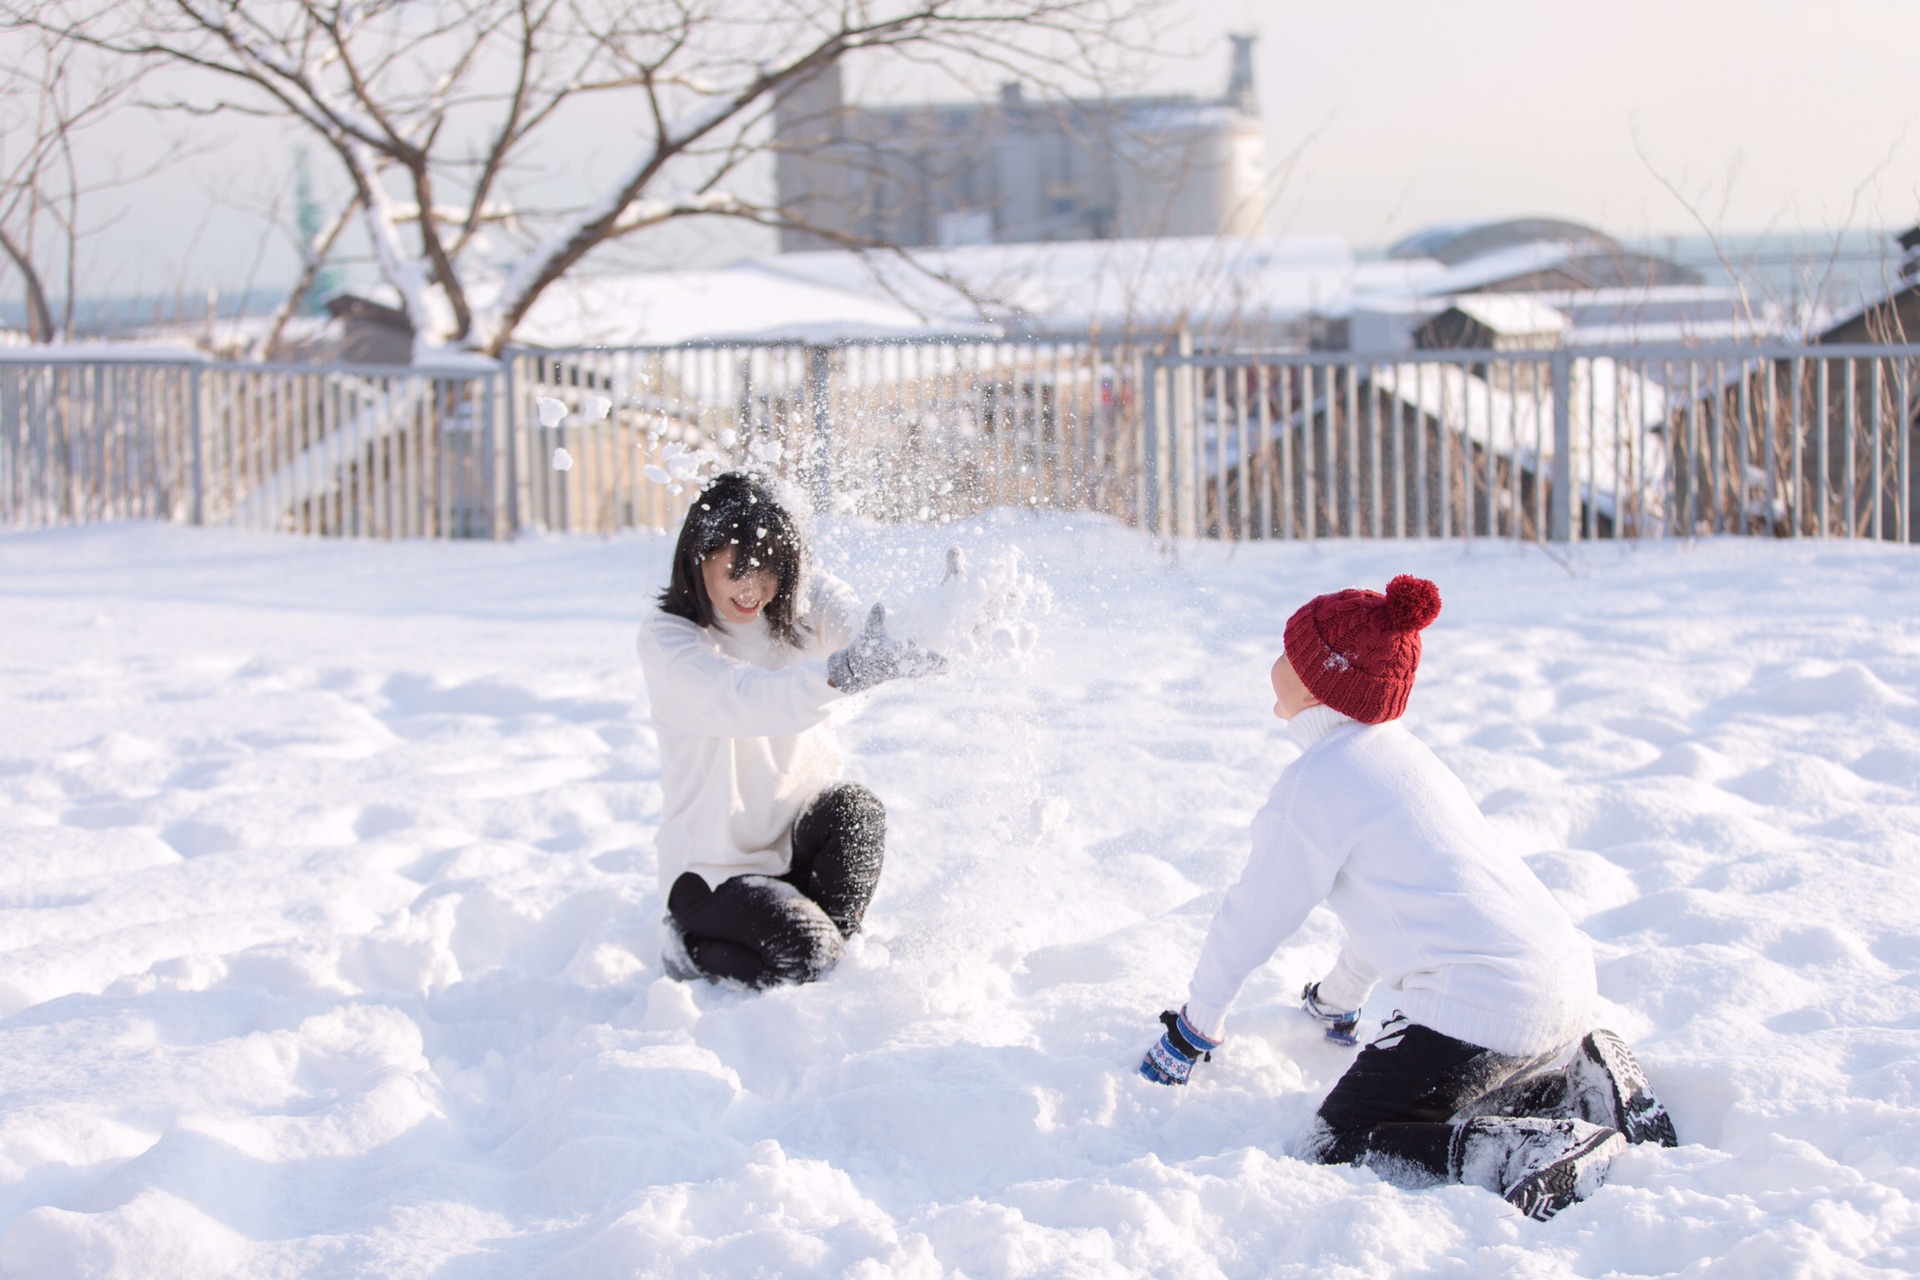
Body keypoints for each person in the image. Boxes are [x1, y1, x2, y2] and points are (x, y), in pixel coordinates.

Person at [1138, 574, 1677, 1221]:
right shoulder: (1400, 761)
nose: (1274, 663)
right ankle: (1575, 1089)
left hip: (1485, 1007)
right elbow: (1397, 906)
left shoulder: (1319, 783)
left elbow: (1253, 917)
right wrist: (1338, 1000)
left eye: (1288, 652)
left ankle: (1529, 1153)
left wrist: (1197, 1027)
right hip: (1556, 985)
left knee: (1341, 1141)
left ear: (1317, 680)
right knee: (1435, 1093)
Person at [637, 470, 942, 988]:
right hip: (714, 871)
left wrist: (941, 628)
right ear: (698, 556)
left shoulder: (802, 602)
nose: (754, 588)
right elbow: (746, 700)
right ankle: (691, 948)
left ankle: (828, 959)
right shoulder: (670, 643)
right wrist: (840, 673)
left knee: (856, 812)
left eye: (770, 569)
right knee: (807, 955)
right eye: (736, 569)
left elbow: (864, 626)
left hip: (797, 842)